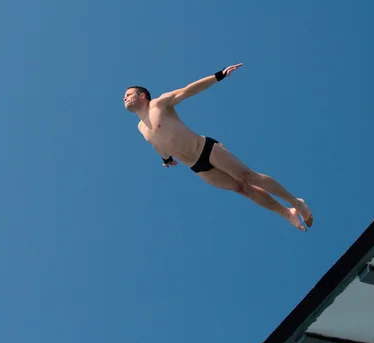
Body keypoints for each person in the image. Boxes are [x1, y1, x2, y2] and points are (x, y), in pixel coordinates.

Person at [124, 63, 313, 231]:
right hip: (197, 167)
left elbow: (189, 90)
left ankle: (296, 202)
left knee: (248, 176)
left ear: (142, 96)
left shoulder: (159, 104)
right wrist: (166, 159)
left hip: (205, 149)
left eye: (128, 94)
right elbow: (157, 143)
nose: (125, 98)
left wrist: (218, 75)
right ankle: (287, 213)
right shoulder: (140, 128)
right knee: (243, 189)